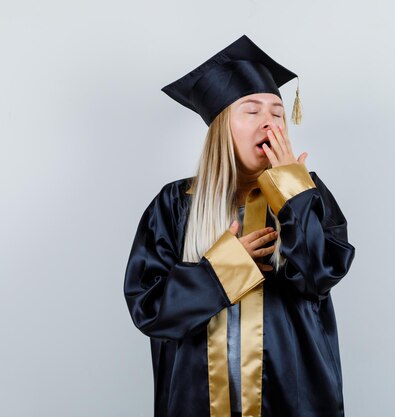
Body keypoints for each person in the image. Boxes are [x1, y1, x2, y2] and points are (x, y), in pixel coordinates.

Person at [123, 34, 356, 417]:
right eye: (252, 110)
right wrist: (226, 268)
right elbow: (150, 310)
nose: (270, 121)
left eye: (278, 113)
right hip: (196, 402)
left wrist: (292, 192)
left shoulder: (307, 195)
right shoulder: (176, 204)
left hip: (292, 400)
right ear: (220, 127)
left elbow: (319, 275)